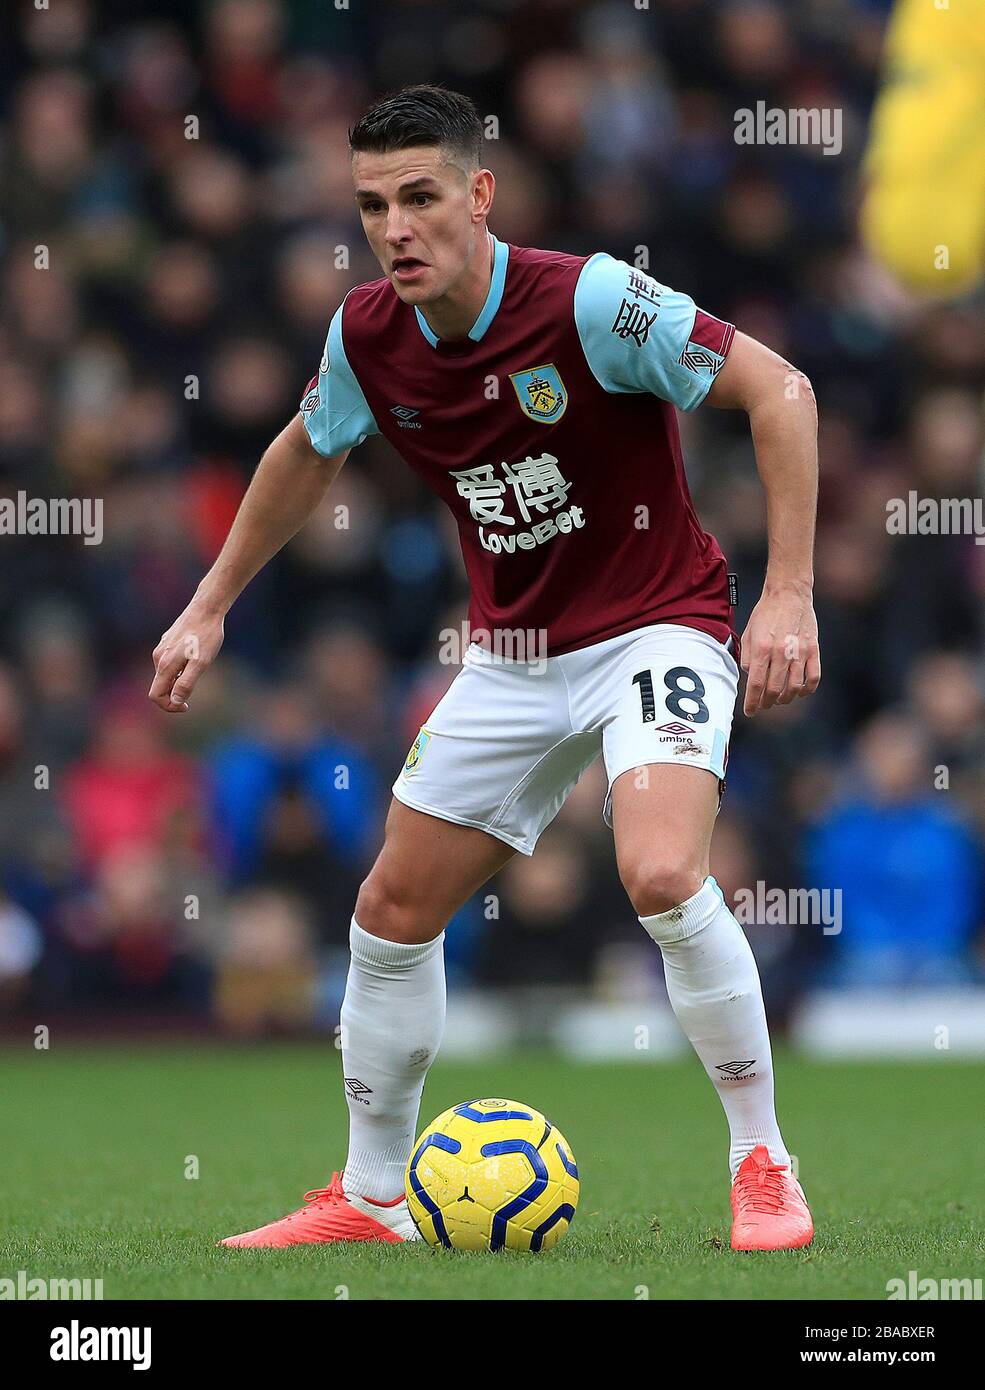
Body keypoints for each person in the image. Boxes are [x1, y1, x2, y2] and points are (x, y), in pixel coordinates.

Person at [149, 86, 820, 1252]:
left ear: (478, 193)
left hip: (656, 623)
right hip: (511, 654)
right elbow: (307, 451)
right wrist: (207, 606)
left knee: (661, 871)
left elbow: (781, 391)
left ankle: (762, 1163)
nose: (395, 227)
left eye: (419, 197)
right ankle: (369, 1197)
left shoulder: (594, 300)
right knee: (390, 910)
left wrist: (790, 592)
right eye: (371, 206)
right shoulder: (365, 333)